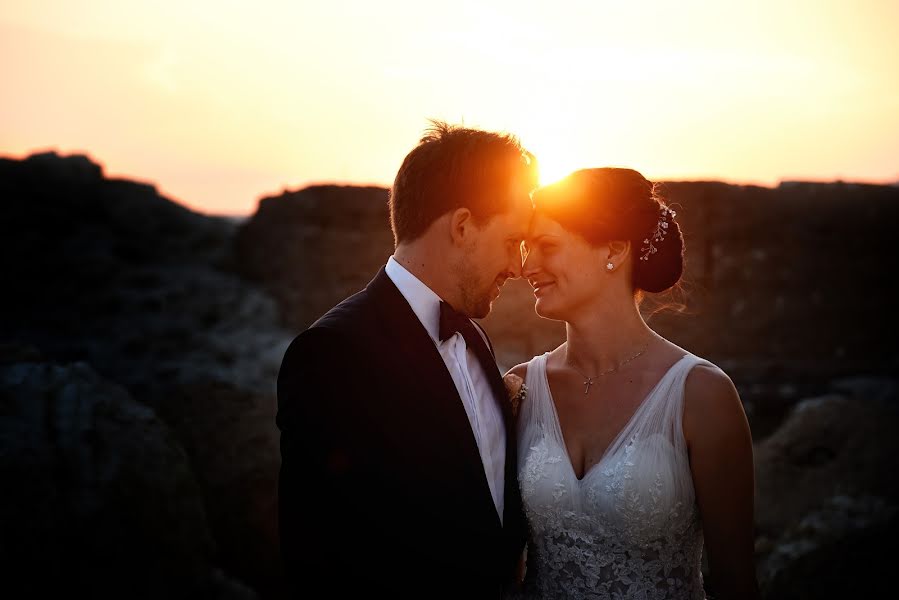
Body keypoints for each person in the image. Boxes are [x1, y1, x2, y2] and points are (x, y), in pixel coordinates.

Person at [276, 122, 538, 598]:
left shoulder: (475, 338)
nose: (519, 267)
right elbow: (315, 557)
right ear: (462, 227)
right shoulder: (333, 354)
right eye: (511, 241)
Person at [506, 168, 759, 599]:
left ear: (614, 250)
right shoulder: (519, 390)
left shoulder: (700, 395)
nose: (527, 266)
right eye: (527, 248)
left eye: (547, 246)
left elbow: (737, 582)